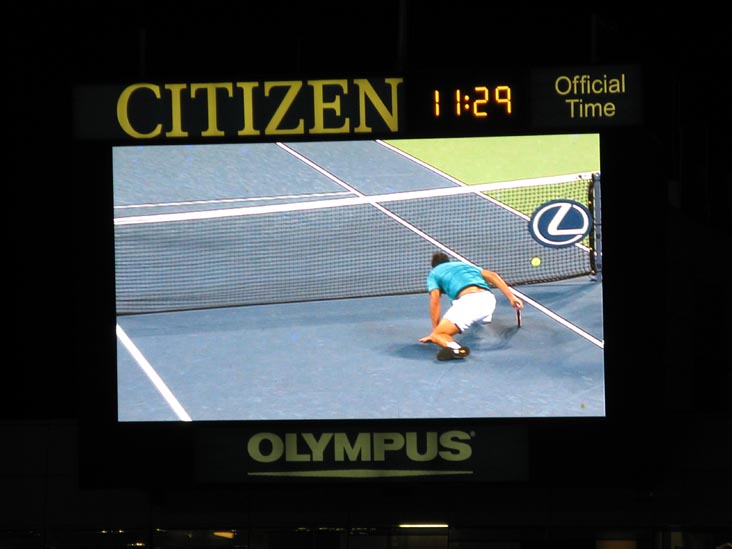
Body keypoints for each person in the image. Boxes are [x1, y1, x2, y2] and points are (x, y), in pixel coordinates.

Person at [419, 251, 524, 361]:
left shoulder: (434, 273)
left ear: (433, 266)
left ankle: (456, 349)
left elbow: (435, 300)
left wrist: (435, 331)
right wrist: (512, 298)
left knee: (438, 335)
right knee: (458, 303)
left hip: (469, 303)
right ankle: (482, 318)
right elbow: (493, 275)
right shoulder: (464, 265)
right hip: (488, 300)